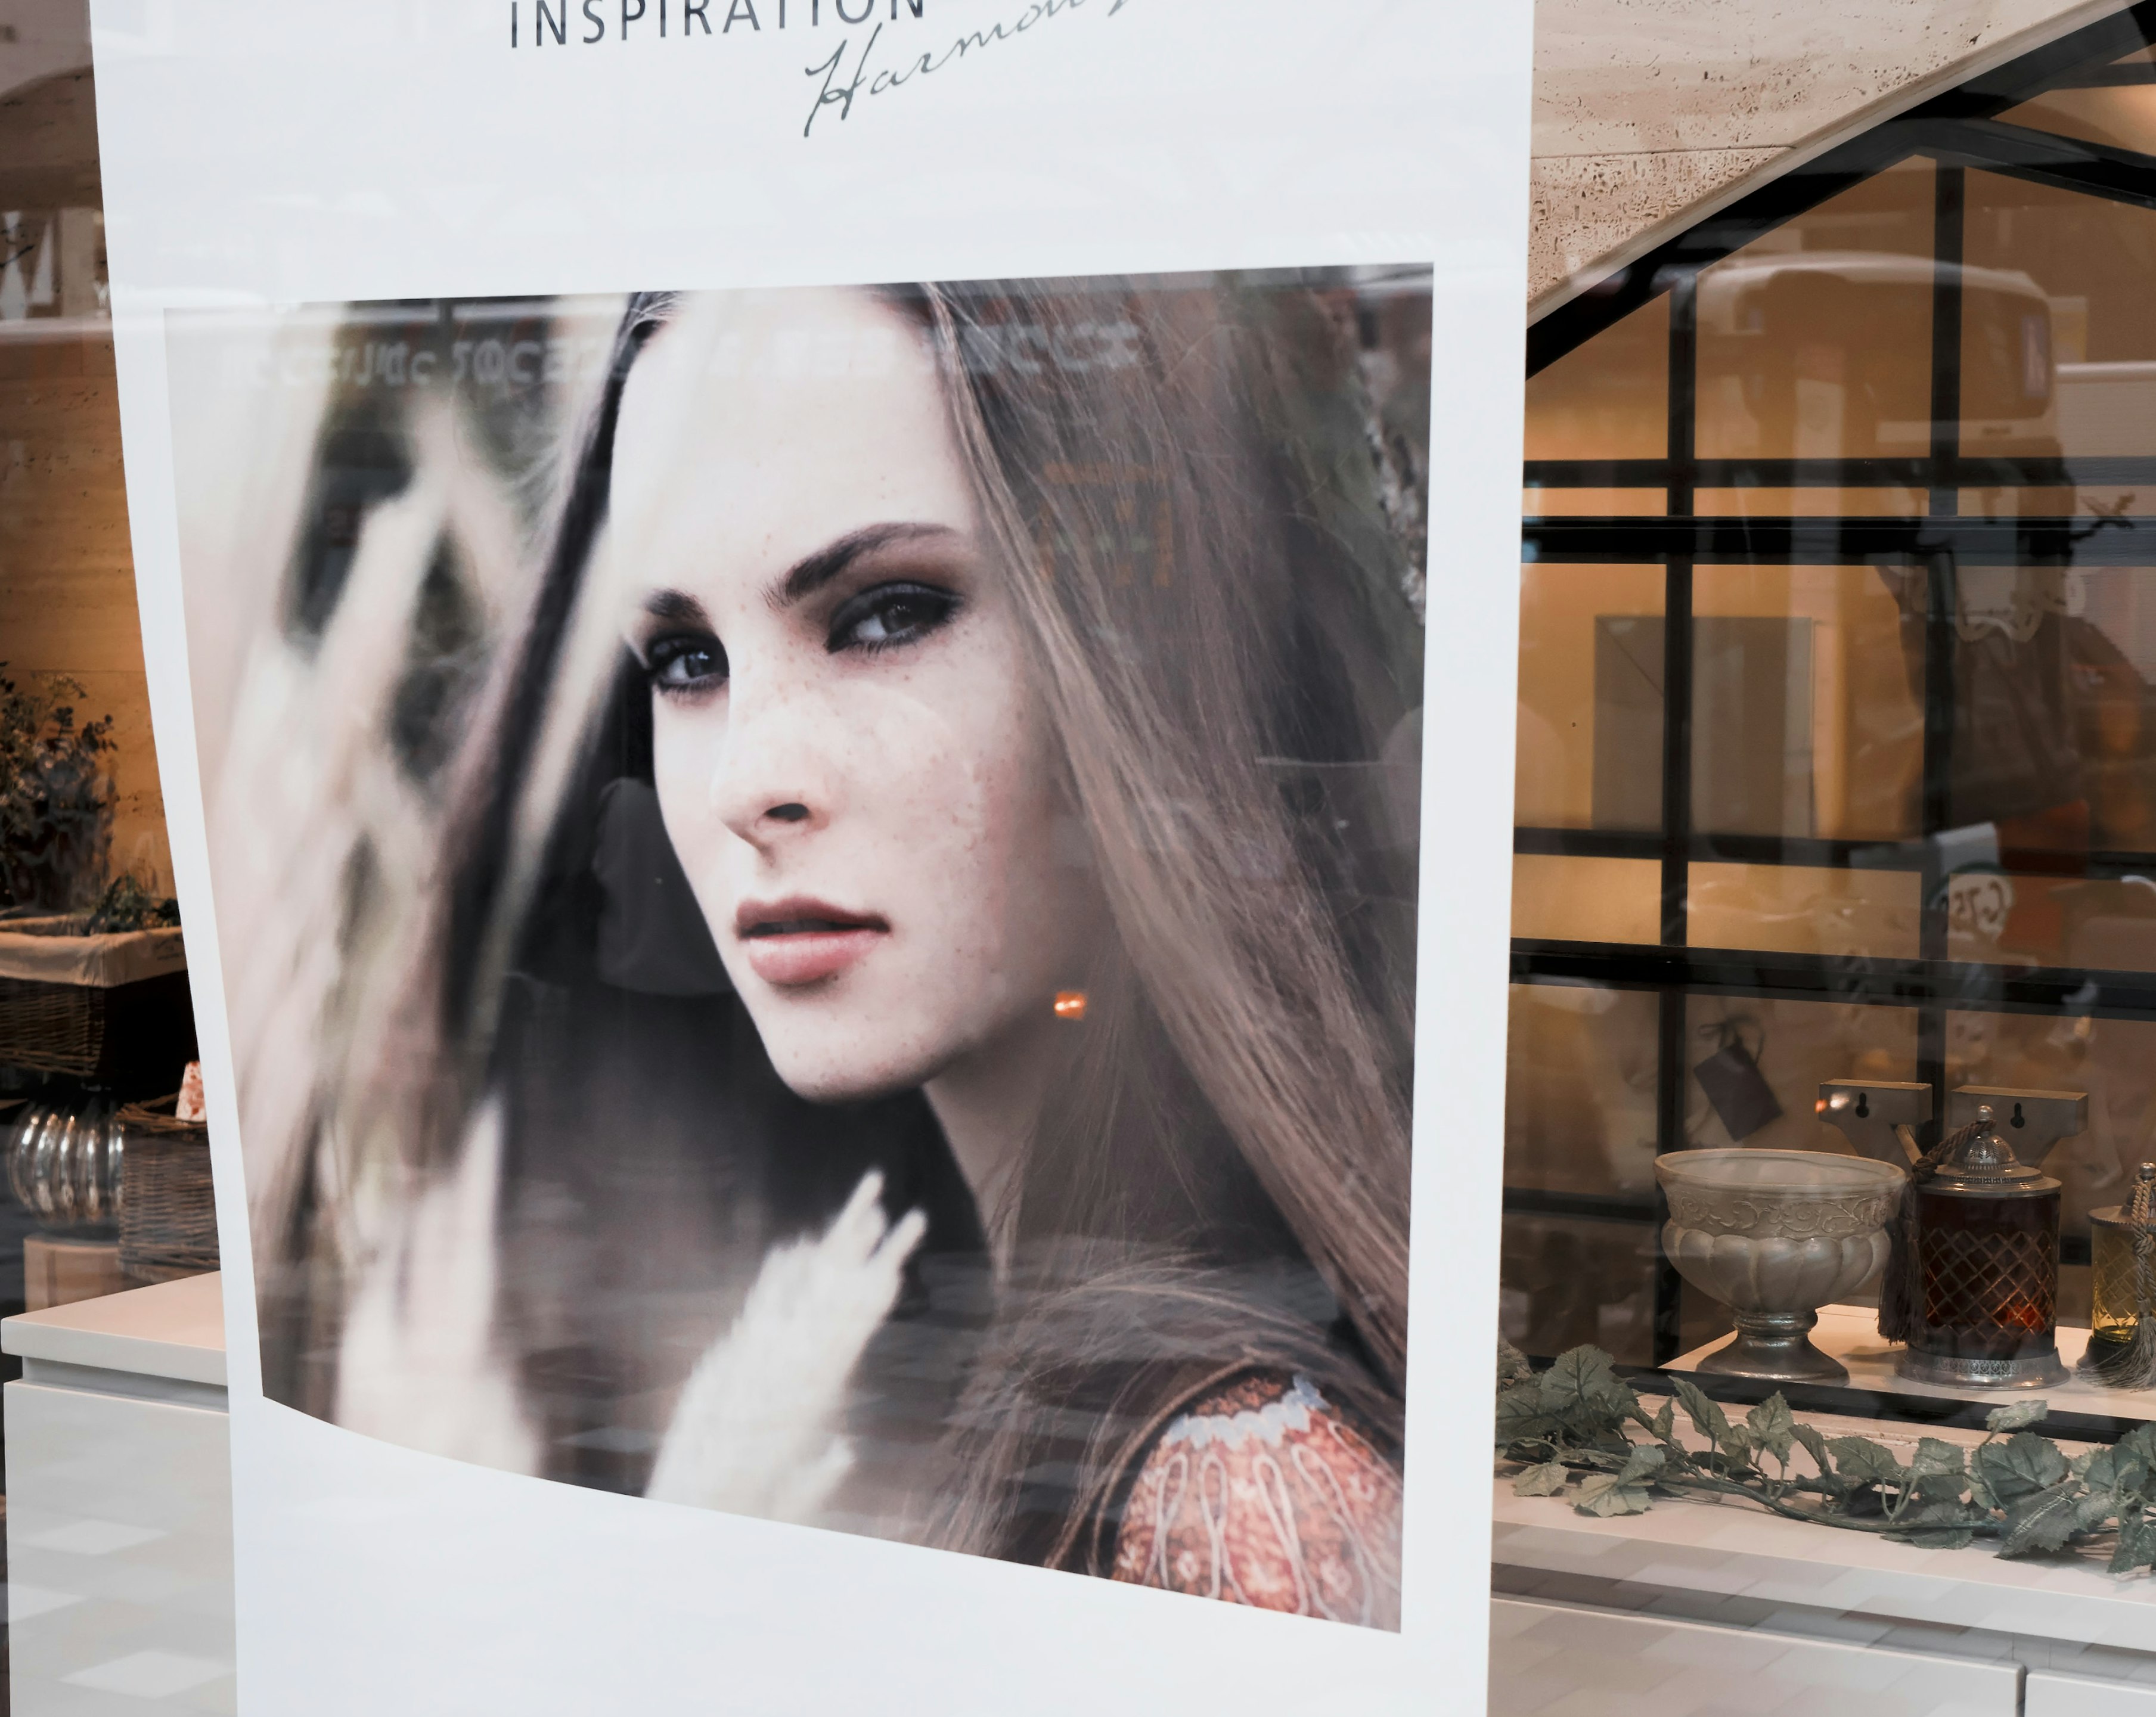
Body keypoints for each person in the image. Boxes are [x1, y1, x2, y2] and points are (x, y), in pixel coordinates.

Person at [311, 271, 1426, 1628]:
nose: (747, 783)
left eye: (888, 612)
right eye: (683, 659)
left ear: (1137, 656)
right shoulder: (925, 1331)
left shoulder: (1233, 1491)